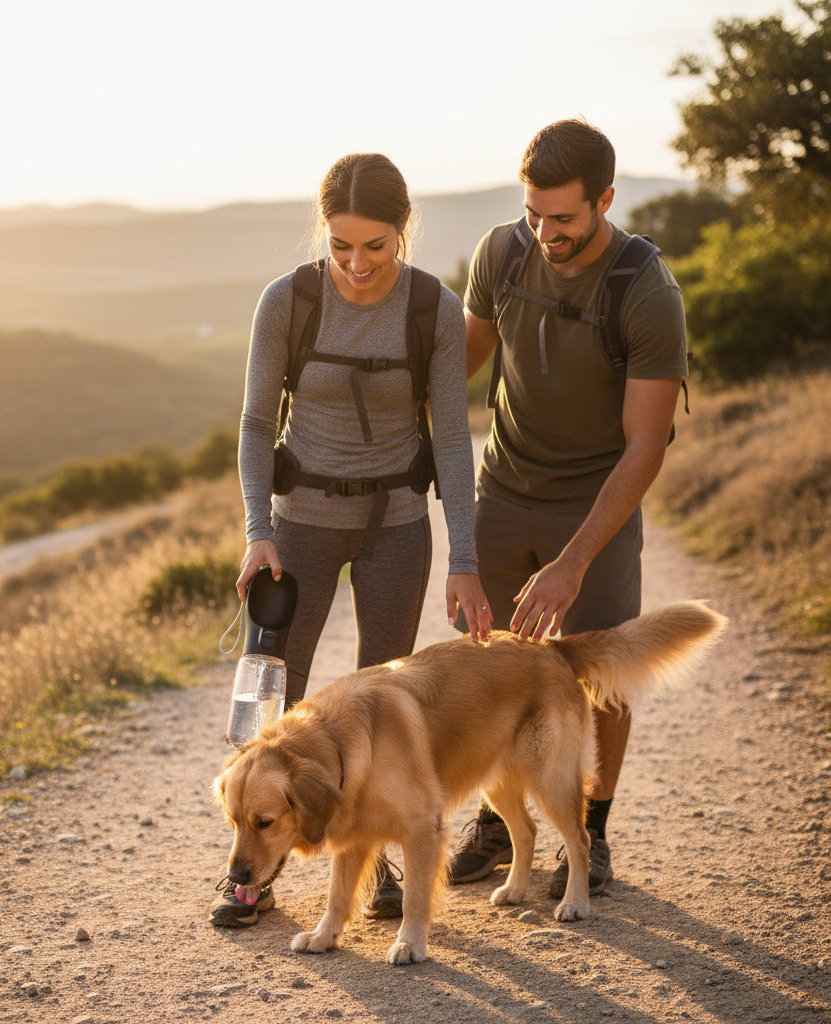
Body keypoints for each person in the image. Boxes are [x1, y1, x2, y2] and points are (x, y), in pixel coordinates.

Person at [210, 152, 492, 928]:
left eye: (376, 246)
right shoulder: (289, 301)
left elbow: (453, 438)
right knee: (271, 700)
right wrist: (258, 532)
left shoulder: (432, 308)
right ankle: (249, 875)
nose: (357, 264)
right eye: (340, 245)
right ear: (322, 230)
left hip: (396, 524)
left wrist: (464, 558)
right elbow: (255, 423)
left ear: (404, 228)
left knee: (383, 707)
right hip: (299, 525)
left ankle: (383, 860)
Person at [447, 119, 688, 899]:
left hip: (595, 501)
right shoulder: (501, 253)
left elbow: (645, 446)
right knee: (487, 662)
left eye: (563, 219)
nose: (544, 234)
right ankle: (500, 823)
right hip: (504, 488)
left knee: (600, 671)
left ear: (605, 201)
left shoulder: (646, 292)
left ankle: (593, 829)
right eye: (533, 214)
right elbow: (459, 366)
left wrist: (574, 560)